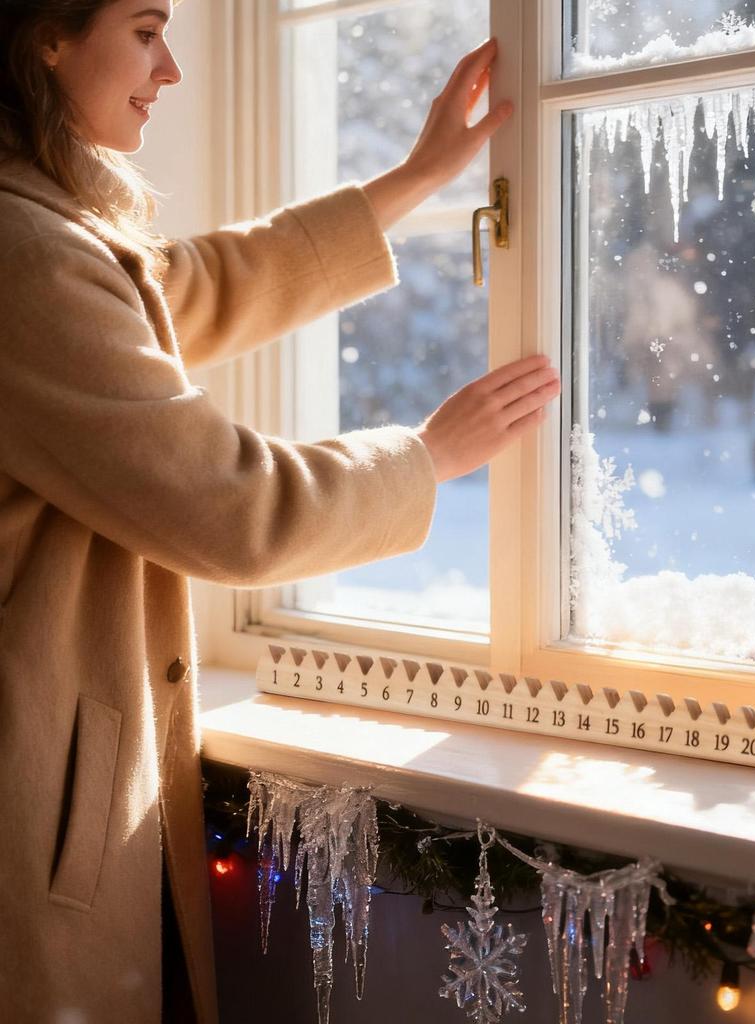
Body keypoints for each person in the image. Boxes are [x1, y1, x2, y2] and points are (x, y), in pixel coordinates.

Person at [0, 2, 559, 1021]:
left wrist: (413, 178)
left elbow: (183, 286)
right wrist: (427, 456)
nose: (168, 67)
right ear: (45, 33)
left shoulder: (40, 224)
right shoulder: (20, 252)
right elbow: (229, 506)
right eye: (143, 27)